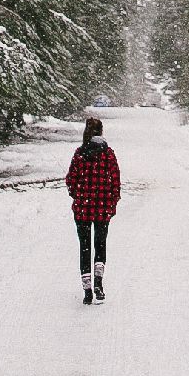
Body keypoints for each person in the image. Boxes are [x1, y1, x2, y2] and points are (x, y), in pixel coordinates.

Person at [66, 110, 121, 304]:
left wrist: (77, 195)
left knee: (85, 247)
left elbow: (71, 180)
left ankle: (87, 289)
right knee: (100, 244)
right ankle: (99, 280)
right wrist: (112, 201)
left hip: (83, 208)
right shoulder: (108, 154)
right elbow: (115, 181)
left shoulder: (79, 154)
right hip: (102, 208)